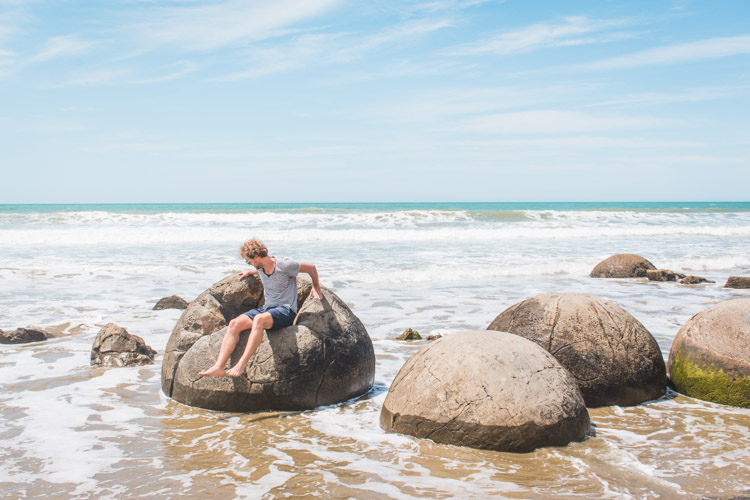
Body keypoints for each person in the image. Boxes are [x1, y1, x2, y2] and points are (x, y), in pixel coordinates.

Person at [199, 238, 323, 378]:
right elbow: (263, 271)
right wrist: (250, 272)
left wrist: (316, 286)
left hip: (286, 310)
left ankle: (242, 364)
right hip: (267, 309)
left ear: (257, 257)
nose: (249, 264)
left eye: (248, 261)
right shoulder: (261, 267)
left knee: (258, 320)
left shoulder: (285, 264)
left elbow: (311, 268)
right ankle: (219, 367)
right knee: (234, 323)